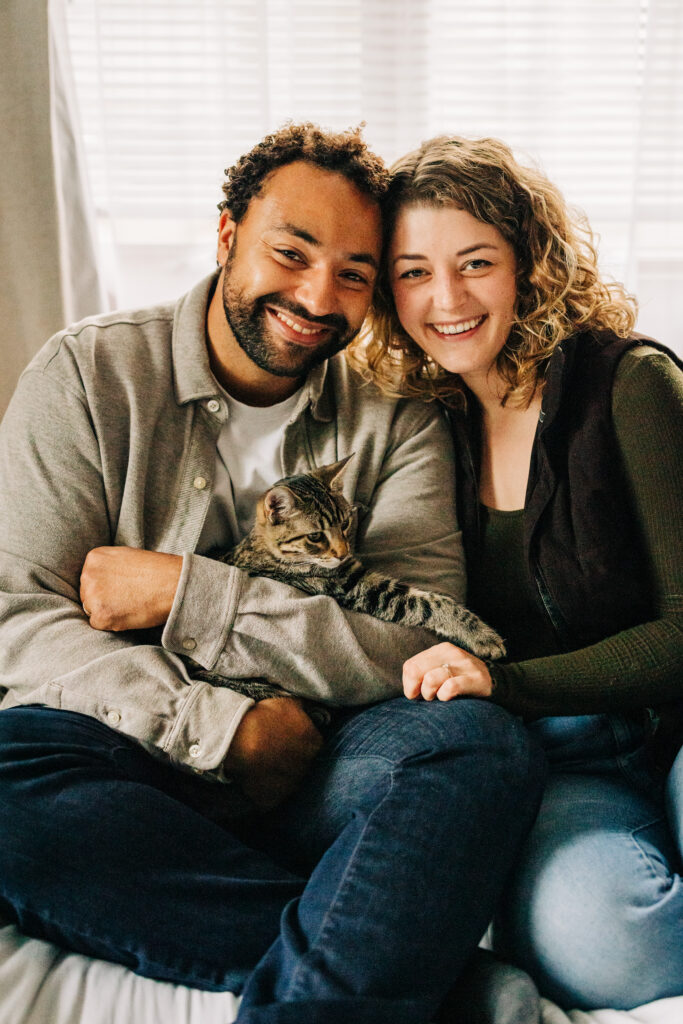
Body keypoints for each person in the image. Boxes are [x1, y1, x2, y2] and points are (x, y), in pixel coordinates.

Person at [0, 124, 545, 1024]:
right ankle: (407, 963)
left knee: (479, 747)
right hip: (132, 747)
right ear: (226, 239)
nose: (315, 295)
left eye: (355, 274)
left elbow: (421, 632)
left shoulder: (397, 418)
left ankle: (354, 952)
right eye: (290, 253)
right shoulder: (89, 373)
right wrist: (219, 726)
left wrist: (188, 594)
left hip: (328, 754)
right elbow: (22, 619)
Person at [350, 133, 683, 1012]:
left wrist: (505, 683)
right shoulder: (422, 424)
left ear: (529, 265)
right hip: (570, 766)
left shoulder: (631, 384)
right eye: (414, 272)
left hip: (675, 723)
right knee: (607, 949)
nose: (446, 299)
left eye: (474, 263)